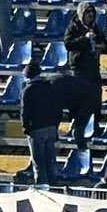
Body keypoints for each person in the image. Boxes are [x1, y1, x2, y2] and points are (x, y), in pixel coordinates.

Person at [20, 58, 64, 188]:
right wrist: (55, 125)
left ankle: (42, 189)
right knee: (51, 161)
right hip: (51, 127)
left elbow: (25, 111)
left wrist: (26, 128)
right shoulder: (50, 87)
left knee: (39, 162)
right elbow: (58, 108)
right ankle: (54, 187)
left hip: (36, 129)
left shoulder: (28, 90)